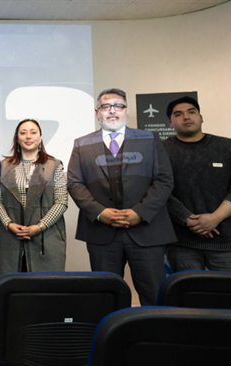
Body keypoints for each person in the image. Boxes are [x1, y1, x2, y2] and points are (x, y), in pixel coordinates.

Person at [68, 88, 175, 306]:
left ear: (126, 111)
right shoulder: (82, 143)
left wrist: (140, 213)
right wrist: (100, 213)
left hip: (147, 231)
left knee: (154, 296)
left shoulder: (150, 138)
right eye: (106, 106)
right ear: (97, 112)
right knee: (106, 297)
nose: (112, 111)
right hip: (102, 233)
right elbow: (74, 183)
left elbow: (164, 180)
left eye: (118, 106)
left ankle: (154, 338)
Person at [163, 96, 231, 271]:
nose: (186, 117)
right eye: (179, 114)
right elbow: (160, 190)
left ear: (201, 117)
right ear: (170, 123)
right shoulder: (161, 151)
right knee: (190, 296)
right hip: (182, 243)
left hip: (228, 243)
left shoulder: (228, 147)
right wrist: (187, 219)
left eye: (191, 112)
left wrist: (215, 218)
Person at [0, 119, 68, 273]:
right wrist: (8, 224)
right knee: (14, 290)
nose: (28, 136)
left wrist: (39, 227)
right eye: (23, 132)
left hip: (46, 239)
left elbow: (62, 202)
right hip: (11, 238)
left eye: (33, 132)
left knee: (44, 291)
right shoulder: (4, 166)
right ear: (17, 138)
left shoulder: (54, 165)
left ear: (40, 137)